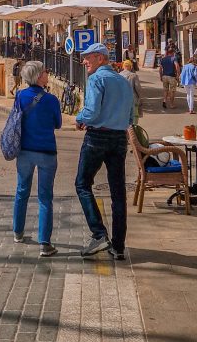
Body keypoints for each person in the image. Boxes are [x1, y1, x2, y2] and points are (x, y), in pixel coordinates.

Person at [74, 43, 134, 261]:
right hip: (119, 138)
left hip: (97, 136)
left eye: (87, 57)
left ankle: (99, 234)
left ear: (100, 58)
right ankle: (118, 245)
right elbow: (131, 117)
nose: (84, 61)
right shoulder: (123, 81)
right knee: (118, 192)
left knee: (82, 183)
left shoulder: (97, 79)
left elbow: (91, 112)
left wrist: (79, 119)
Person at [12, 60, 62, 258]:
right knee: (45, 197)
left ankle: (18, 232)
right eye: (45, 71)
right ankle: (45, 243)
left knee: (21, 191)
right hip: (46, 152)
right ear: (39, 76)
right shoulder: (51, 100)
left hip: (24, 151)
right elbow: (58, 124)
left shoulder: (20, 96)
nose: (47, 73)